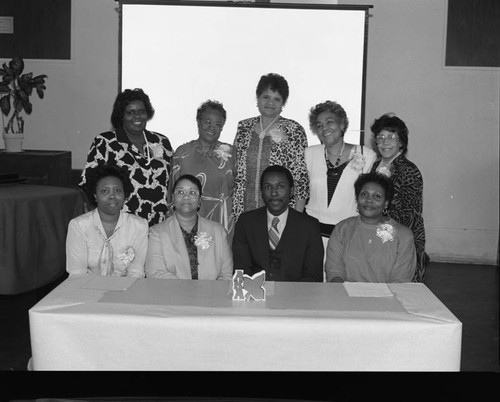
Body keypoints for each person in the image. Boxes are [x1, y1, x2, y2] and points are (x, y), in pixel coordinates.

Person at [80, 88, 173, 226]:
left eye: (141, 111)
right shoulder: (105, 142)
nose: (137, 116)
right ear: (121, 116)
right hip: (122, 225)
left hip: (159, 226)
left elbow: (171, 182)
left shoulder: (161, 141)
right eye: (130, 112)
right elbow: (89, 185)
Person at [232, 73, 309, 223]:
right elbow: (236, 172)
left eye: (277, 99)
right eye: (266, 97)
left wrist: (296, 218)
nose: (270, 103)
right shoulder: (244, 127)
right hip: (243, 211)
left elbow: (301, 178)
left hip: (281, 213)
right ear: (258, 98)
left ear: (283, 103)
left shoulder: (294, 130)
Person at [305, 100, 377, 252]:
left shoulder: (367, 155)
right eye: (319, 125)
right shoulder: (308, 154)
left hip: (349, 237)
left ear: (342, 125)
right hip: (312, 237)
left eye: (329, 122)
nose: (324, 128)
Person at [233, 165, 323, 282]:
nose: (274, 193)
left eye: (280, 186)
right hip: (255, 295)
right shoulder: (246, 223)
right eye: (267, 187)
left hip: (296, 297)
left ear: (291, 191)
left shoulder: (310, 226)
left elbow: (313, 277)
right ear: (261, 192)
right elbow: (242, 271)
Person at [325, 172, 416, 283]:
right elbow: (334, 270)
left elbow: (401, 279)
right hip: (345, 295)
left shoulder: (403, 235)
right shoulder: (342, 229)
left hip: (387, 297)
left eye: (377, 196)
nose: (369, 200)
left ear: (386, 203)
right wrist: (342, 294)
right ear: (357, 199)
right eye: (364, 194)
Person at [370, 113, 428, 282]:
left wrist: (386, 233)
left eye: (391, 137)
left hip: (402, 241)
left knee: (403, 292)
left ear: (401, 142)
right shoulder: (374, 167)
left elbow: (411, 214)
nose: (385, 142)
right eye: (380, 137)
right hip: (376, 237)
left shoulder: (409, 170)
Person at [66, 164, 148, 277]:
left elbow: (136, 272)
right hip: (87, 289)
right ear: (95, 195)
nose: (112, 196)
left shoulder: (139, 226)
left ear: (125, 195)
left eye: (117, 190)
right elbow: (77, 274)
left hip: (125, 289)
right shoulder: (79, 226)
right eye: (105, 191)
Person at [145, 174, 233, 280]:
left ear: (200, 200)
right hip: (172, 294)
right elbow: (155, 273)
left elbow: (226, 275)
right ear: (173, 198)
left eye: (192, 192)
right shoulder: (157, 233)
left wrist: (209, 294)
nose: (186, 196)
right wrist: (187, 292)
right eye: (180, 192)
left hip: (211, 294)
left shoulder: (219, 232)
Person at [171, 100, 235, 237]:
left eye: (218, 124)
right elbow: (172, 193)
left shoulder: (232, 153)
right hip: (189, 215)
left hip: (222, 218)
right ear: (198, 122)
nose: (212, 127)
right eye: (207, 122)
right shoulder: (182, 153)